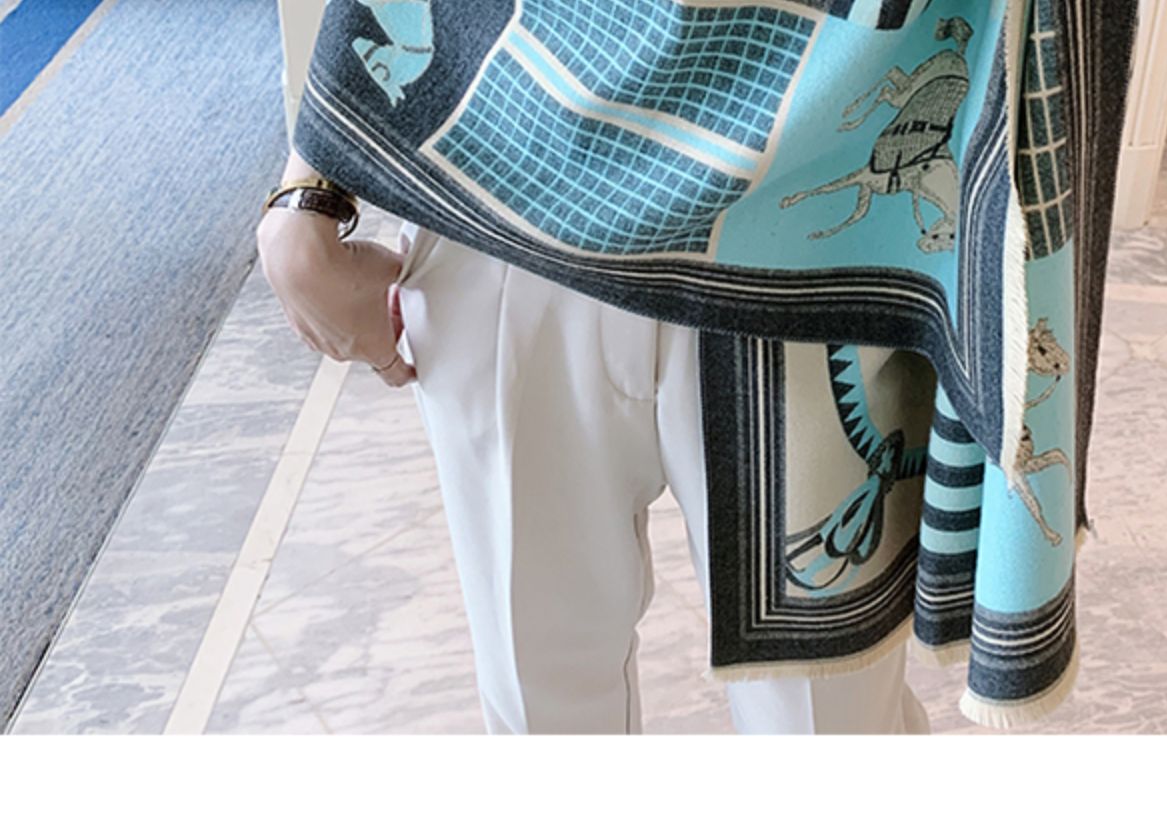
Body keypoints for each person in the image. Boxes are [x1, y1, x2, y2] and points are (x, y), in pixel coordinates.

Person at [255, 148, 932, 735]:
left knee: (830, 721)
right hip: (502, 176)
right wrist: (310, 180)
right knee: (544, 709)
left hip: (803, 180)